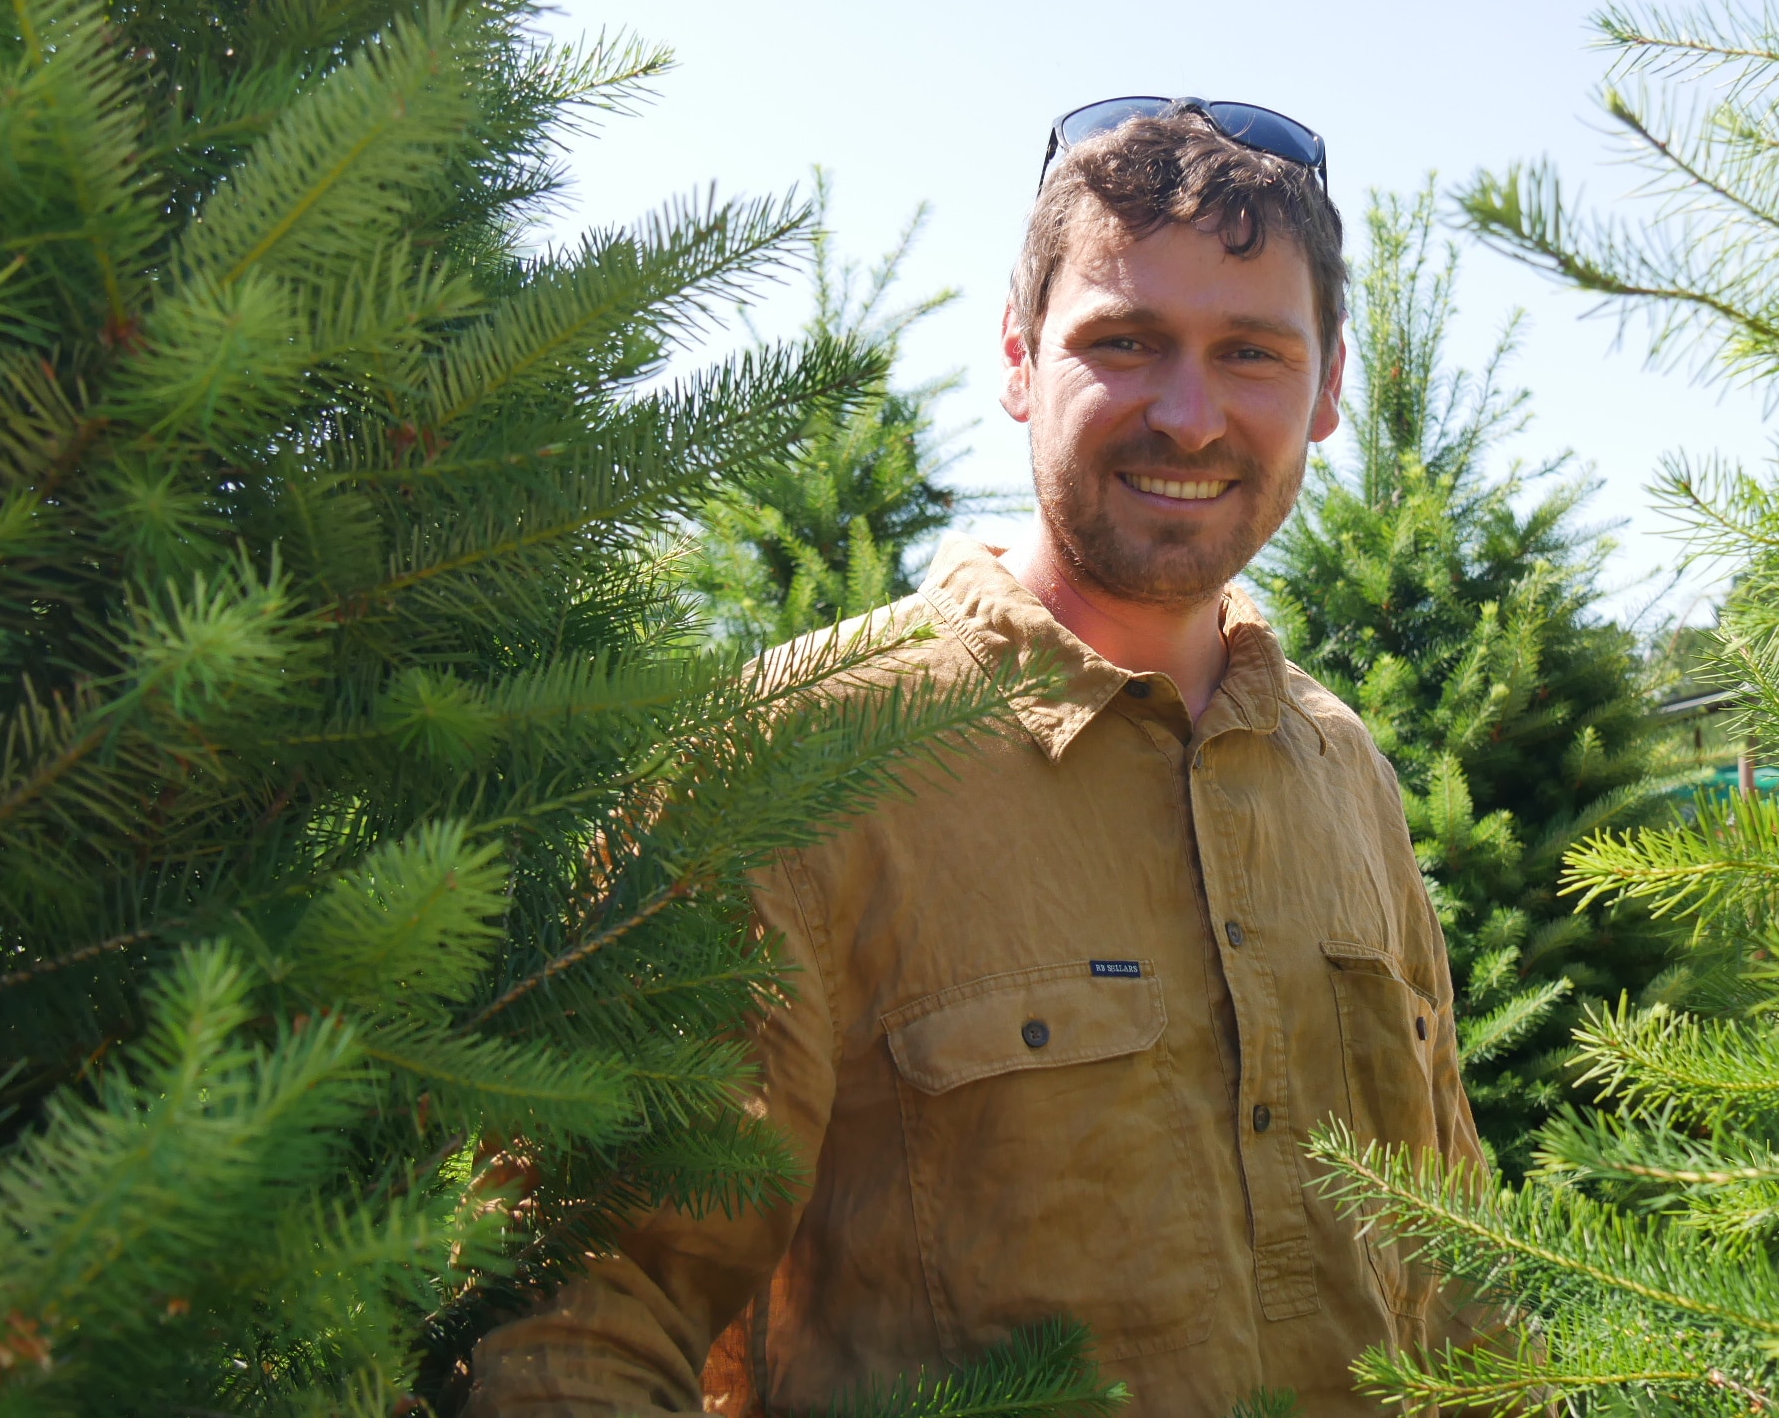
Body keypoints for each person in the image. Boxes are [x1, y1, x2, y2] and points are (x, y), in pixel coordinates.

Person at [465, 98, 1488, 1416]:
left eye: (1251, 352)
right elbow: (584, 1324)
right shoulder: (787, 765)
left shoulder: (1346, 773)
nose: (1190, 417)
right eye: (1125, 342)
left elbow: (1464, 1286)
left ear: (1329, 386)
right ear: (1019, 355)